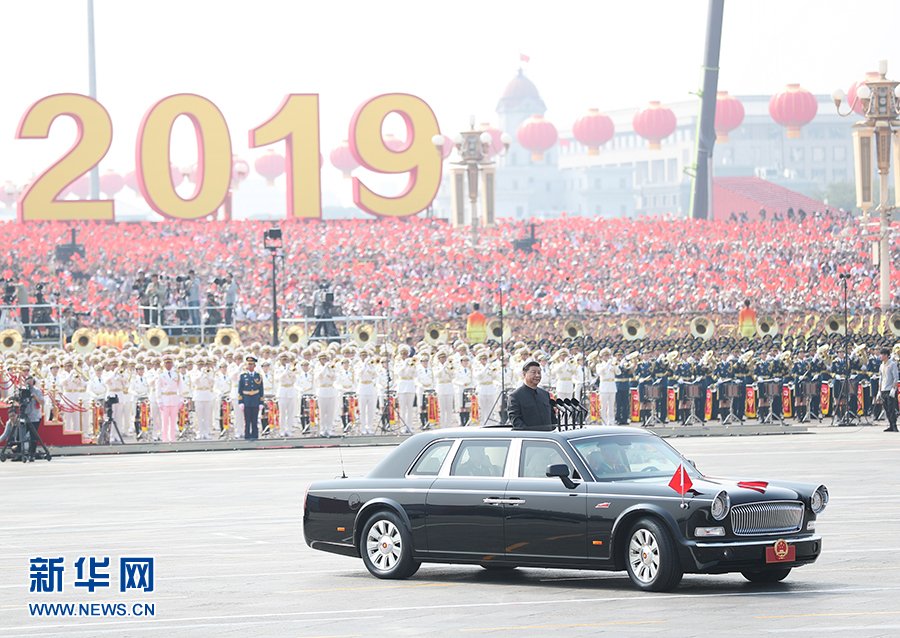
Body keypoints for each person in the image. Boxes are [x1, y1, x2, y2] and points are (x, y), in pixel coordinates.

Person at [508, 361, 558, 430]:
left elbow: (552, 418)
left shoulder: (545, 394)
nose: (537, 375)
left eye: (539, 373)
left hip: (548, 435)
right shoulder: (515, 396)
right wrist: (530, 434)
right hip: (530, 436)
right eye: (533, 372)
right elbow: (516, 420)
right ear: (524, 374)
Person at [155, 354, 183, 442]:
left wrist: (181, 400)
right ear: (164, 364)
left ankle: (172, 438)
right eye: (166, 363)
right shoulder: (161, 374)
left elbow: (180, 388)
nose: (168, 365)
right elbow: (158, 389)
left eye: (170, 363)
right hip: (165, 399)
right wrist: (159, 401)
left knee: (173, 421)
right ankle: (165, 438)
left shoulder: (176, 374)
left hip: (174, 399)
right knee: (164, 421)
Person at [238, 356, 264, 440]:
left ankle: (255, 434)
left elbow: (261, 390)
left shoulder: (258, 376)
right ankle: (247, 434)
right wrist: (240, 401)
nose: (250, 366)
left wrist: (261, 402)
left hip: (255, 400)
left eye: (251, 364)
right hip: (246, 400)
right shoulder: (243, 376)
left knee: (254, 419)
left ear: (254, 365)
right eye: (248, 364)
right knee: (247, 419)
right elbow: (240, 389)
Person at [878, 348, 898, 432]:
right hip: (883, 389)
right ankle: (890, 424)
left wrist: (893, 388)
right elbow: (880, 379)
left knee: (891, 408)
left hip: (890, 389)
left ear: (886, 355)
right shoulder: (881, 365)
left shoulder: (892, 364)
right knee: (886, 408)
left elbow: (896, 377)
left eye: (881, 354)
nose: (880, 356)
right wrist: (879, 391)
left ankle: (894, 425)